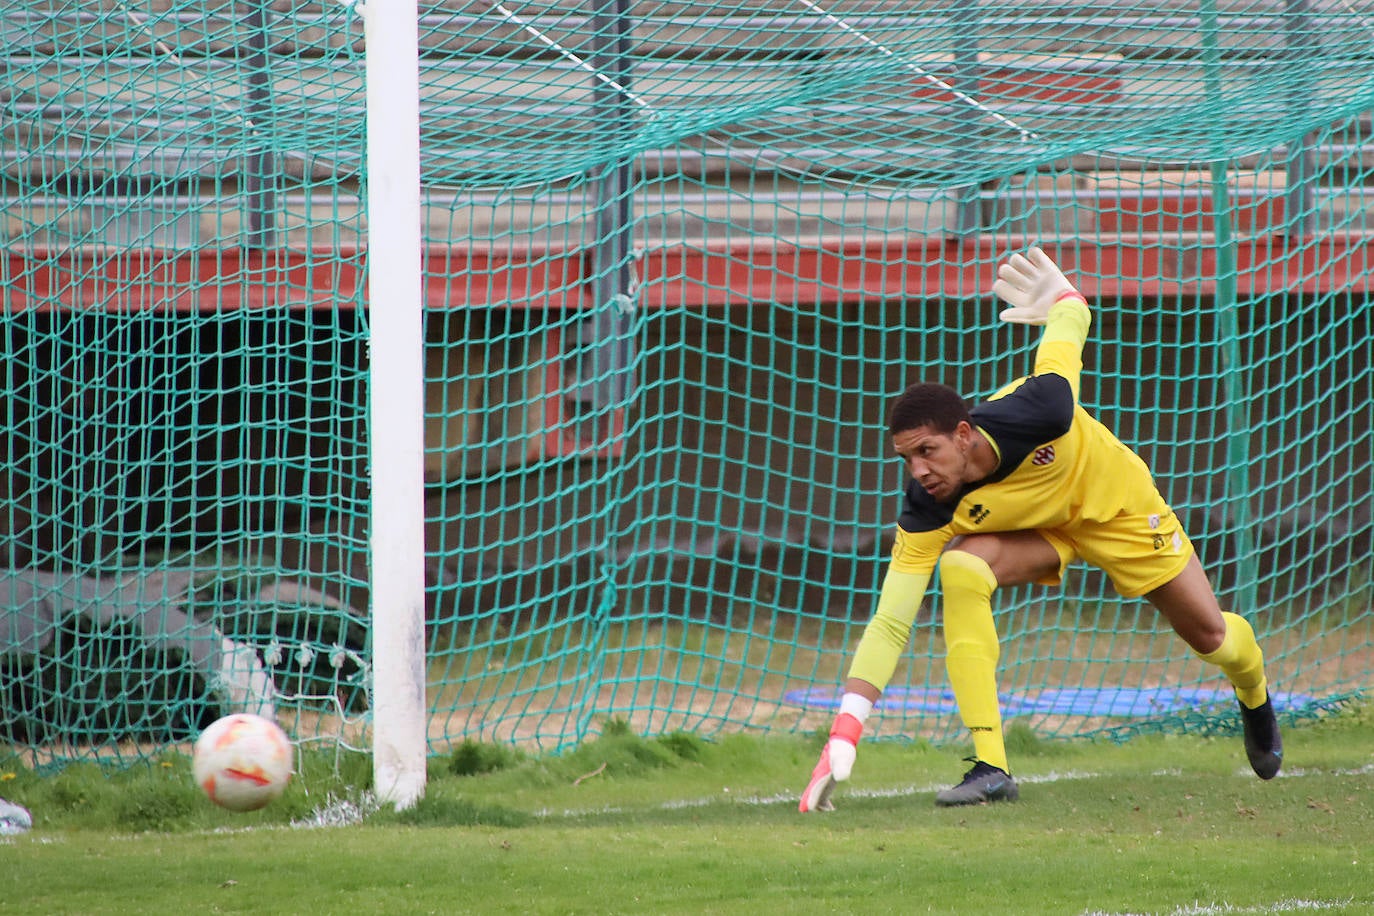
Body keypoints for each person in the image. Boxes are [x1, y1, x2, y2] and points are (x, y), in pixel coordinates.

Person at [799, 246, 1283, 812]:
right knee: (960, 568)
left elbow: (1064, 341)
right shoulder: (928, 505)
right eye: (907, 459)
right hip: (1044, 532)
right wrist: (844, 732)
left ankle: (1254, 694)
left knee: (1212, 639)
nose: (919, 470)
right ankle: (991, 768)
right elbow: (890, 621)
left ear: (962, 434)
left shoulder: (1042, 408)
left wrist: (1069, 301)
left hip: (1118, 508)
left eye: (927, 451)